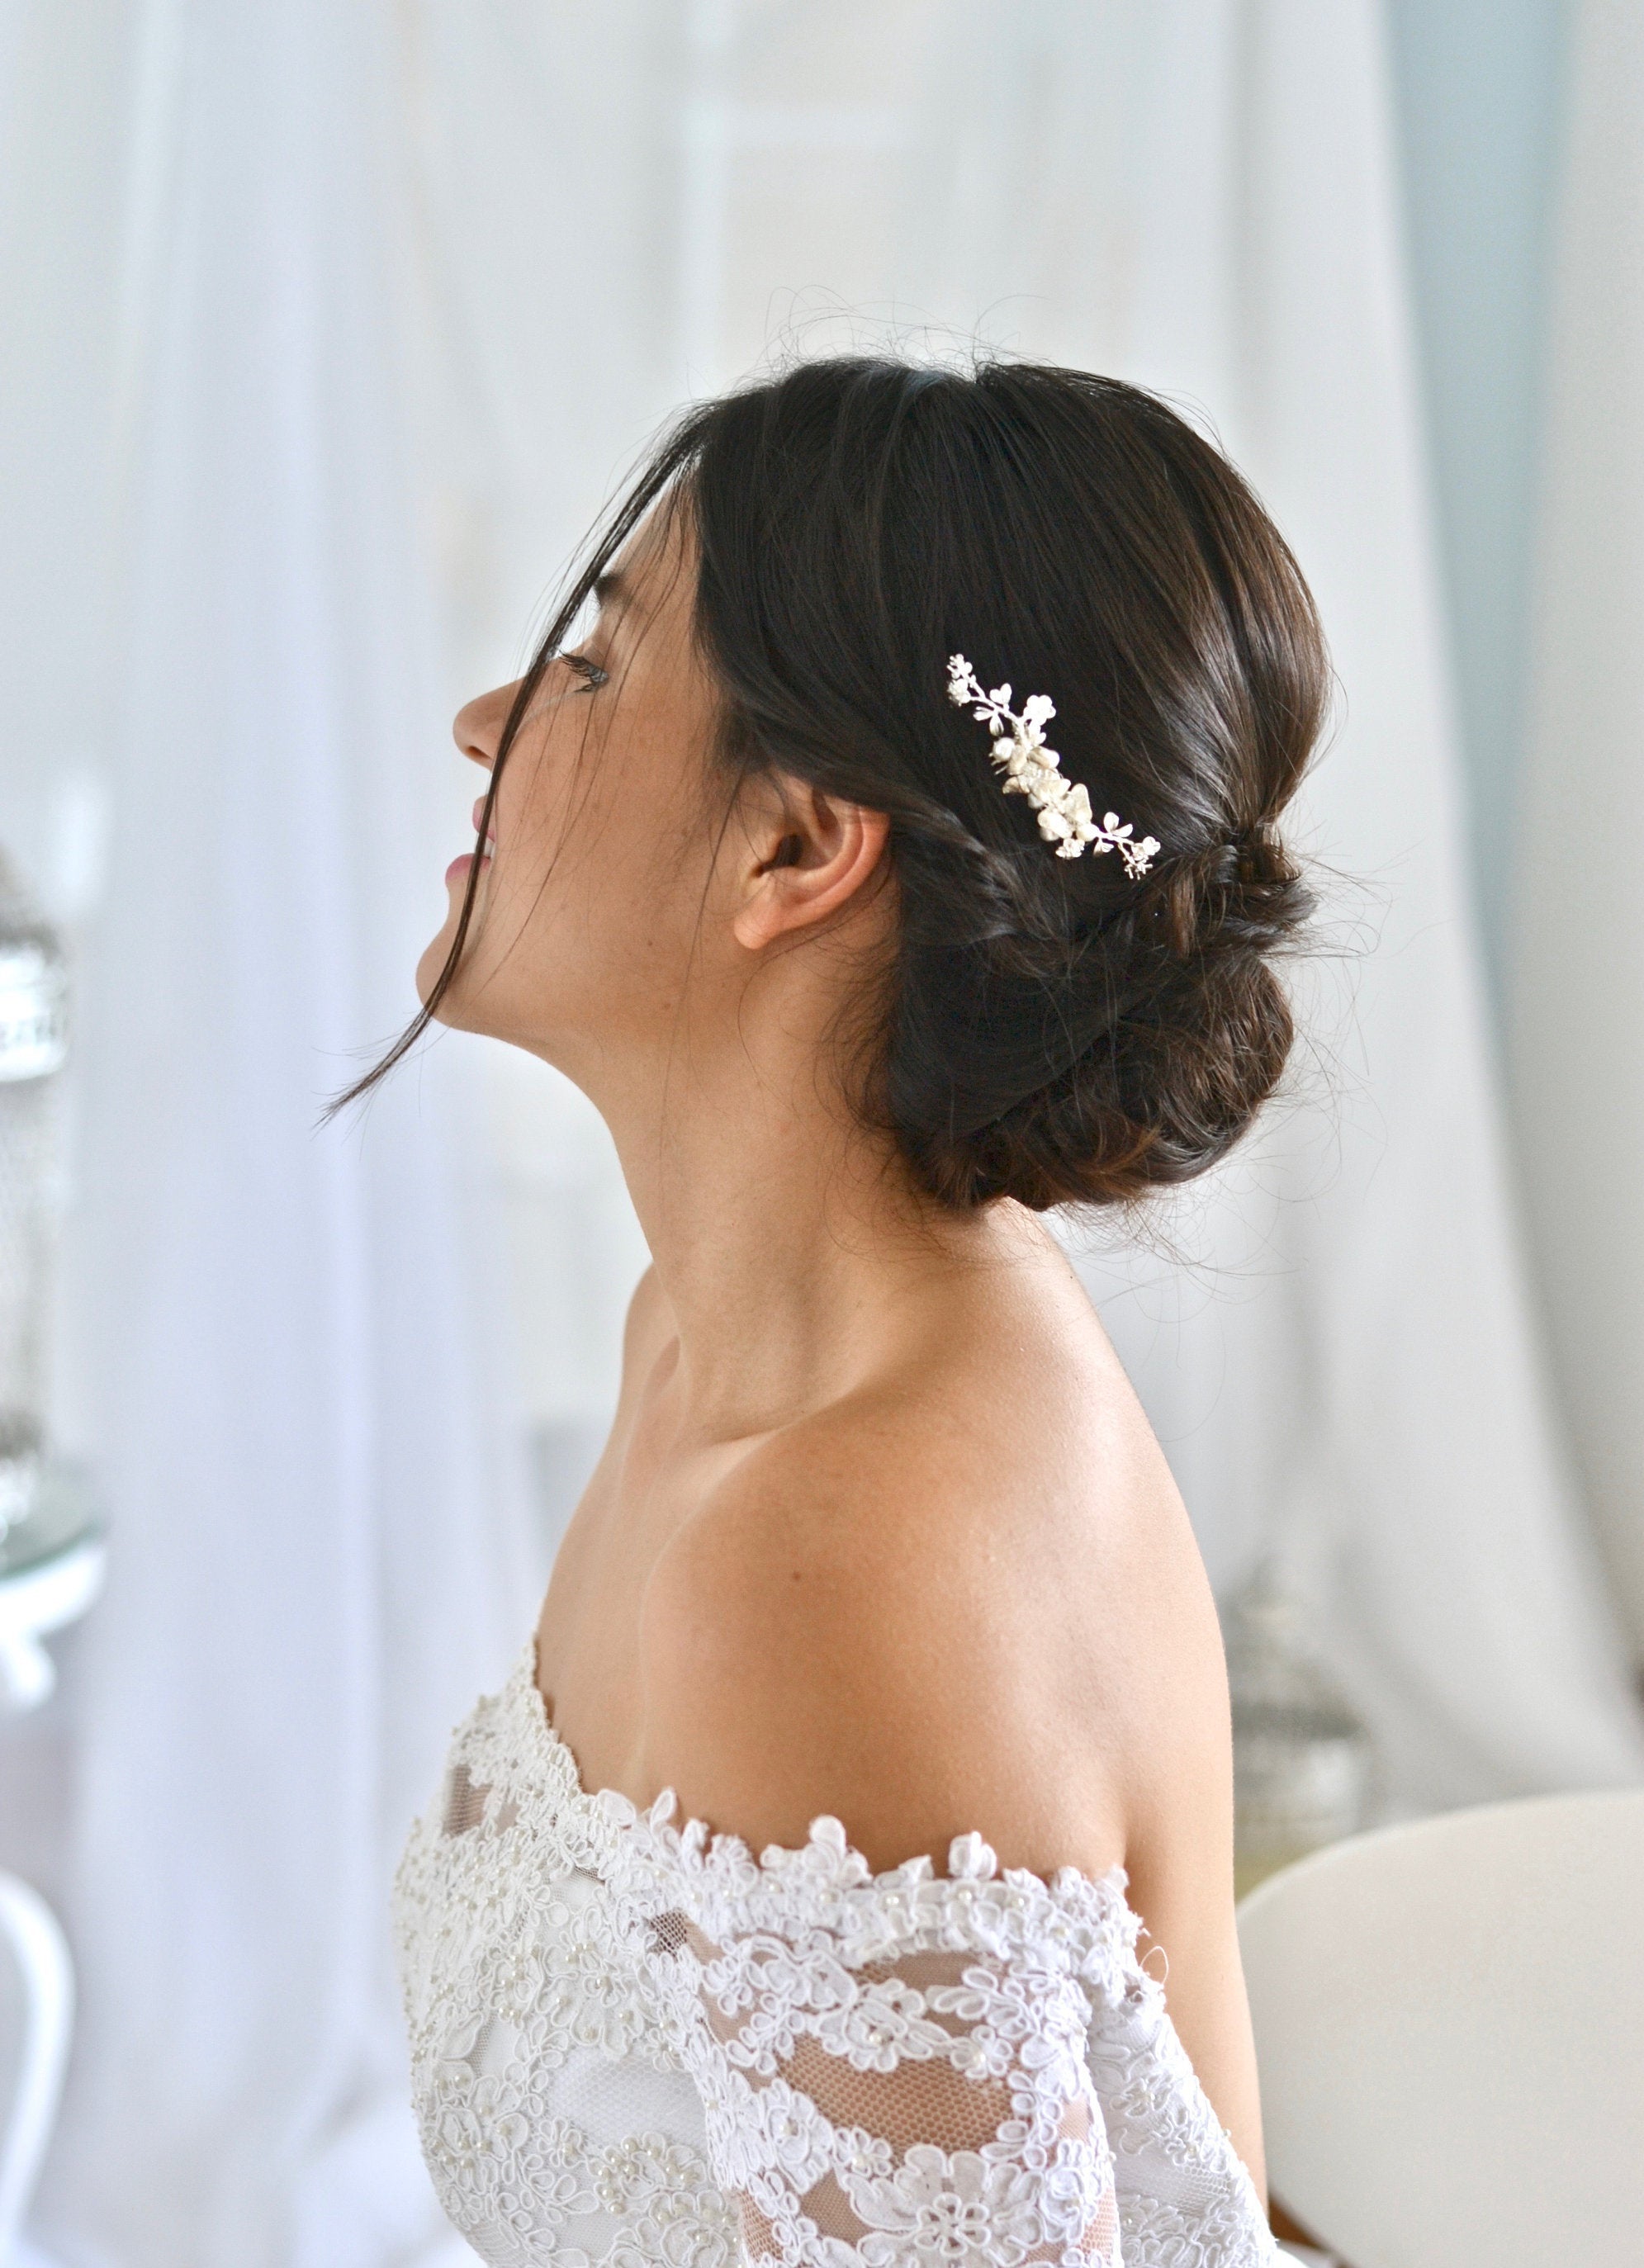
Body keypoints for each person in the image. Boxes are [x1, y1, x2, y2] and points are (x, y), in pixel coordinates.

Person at [382, 356, 1324, 2266]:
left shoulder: (848, 1543)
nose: (486, 715)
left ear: (798, 850)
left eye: (591, 668)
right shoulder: (704, 1348)